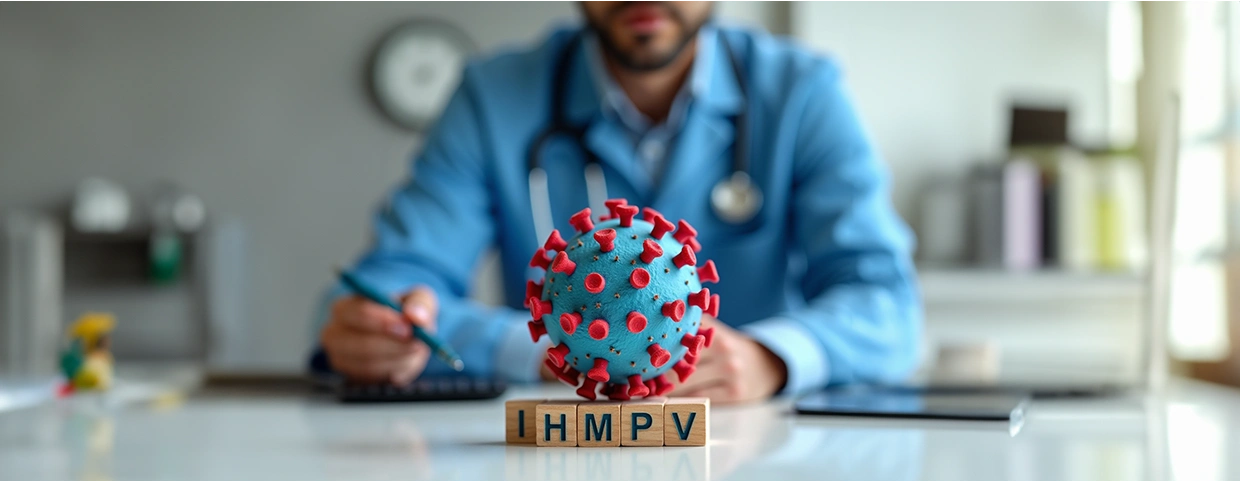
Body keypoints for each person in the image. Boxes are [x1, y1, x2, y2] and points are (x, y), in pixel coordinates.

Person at [312, 0, 921, 404]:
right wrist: (546, 349)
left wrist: (772, 359)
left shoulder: (802, 93)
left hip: (754, 450)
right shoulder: (492, 97)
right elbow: (382, 287)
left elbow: (886, 304)